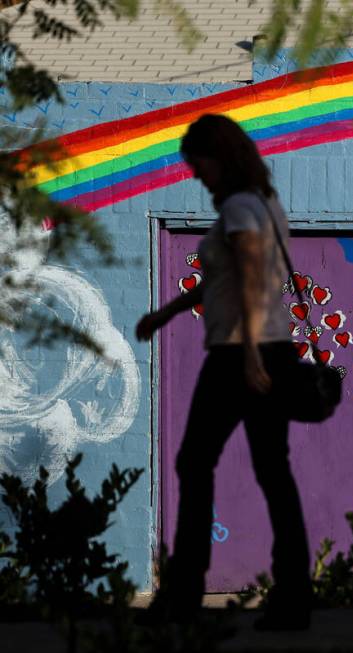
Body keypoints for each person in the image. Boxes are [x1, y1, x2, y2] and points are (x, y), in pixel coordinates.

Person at [136, 114, 312, 630]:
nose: (195, 174)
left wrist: (252, 355)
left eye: (199, 163)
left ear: (220, 157)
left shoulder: (238, 206)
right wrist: (167, 312)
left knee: (195, 463)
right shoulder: (266, 204)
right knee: (273, 474)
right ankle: (294, 598)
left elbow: (254, 279)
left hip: (241, 354)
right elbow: (226, 277)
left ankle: (183, 595)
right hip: (265, 349)